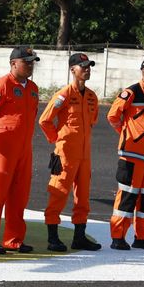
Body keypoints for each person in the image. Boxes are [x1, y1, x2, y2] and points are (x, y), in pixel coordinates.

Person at [0, 46, 40, 255]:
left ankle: (13, 240)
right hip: (1, 147)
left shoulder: (32, 88)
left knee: (19, 194)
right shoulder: (1, 85)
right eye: (26, 61)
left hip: (23, 148)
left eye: (32, 61)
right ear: (14, 63)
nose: (30, 65)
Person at [38, 52, 103, 252]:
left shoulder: (92, 96)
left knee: (82, 197)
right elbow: (45, 120)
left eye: (89, 66)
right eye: (83, 66)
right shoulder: (63, 95)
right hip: (65, 154)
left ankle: (79, 237)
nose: (87, 69)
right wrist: (57, 140)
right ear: (72, 69)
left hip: (84, 156)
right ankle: (52, 238)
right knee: (58, 194)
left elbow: (92, 122)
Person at [106, 57, 144, 250]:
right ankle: (118, 236)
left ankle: (142, 237)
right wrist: (127, 135)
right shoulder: (131, 92)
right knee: (126, 197)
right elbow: (113, 116)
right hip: (132, 155)